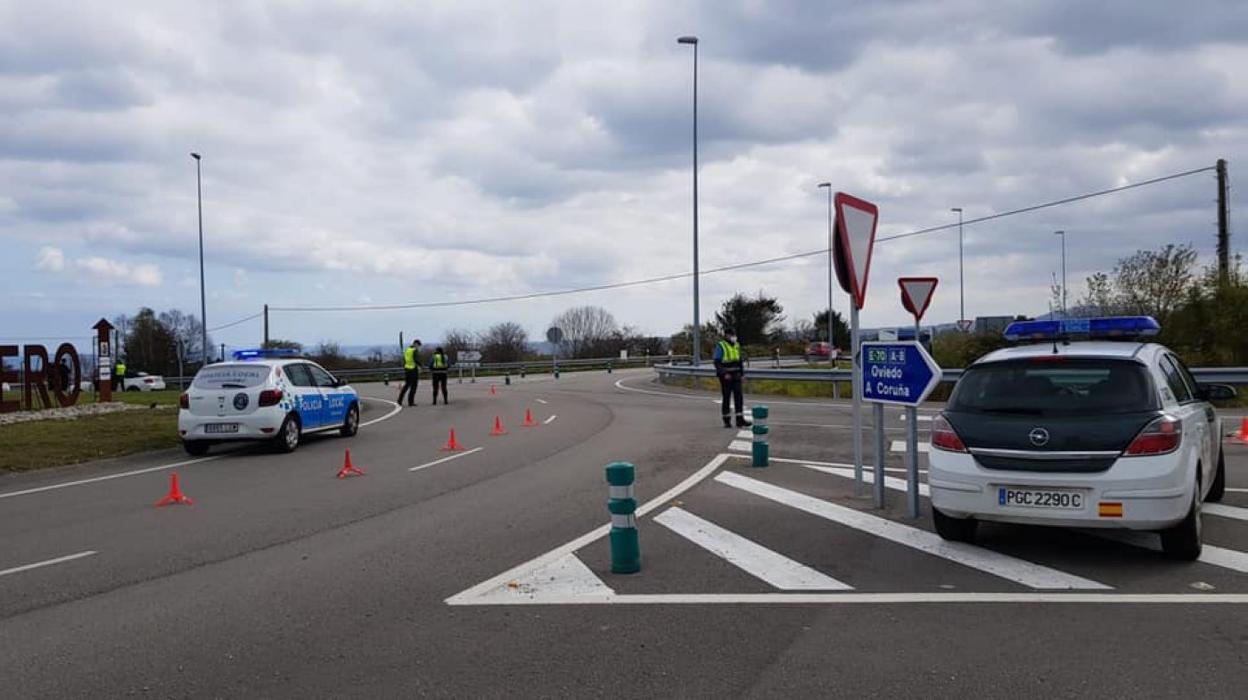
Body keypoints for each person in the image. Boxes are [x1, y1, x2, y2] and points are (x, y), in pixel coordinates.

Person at [713, 332, 750, 428]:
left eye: (734, 335)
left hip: (736, 375)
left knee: (739, 396)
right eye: (731, 335)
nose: (734, 337)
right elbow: (717, 362)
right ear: (726, 336)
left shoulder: (736, 345)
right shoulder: (721, 345)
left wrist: (742, 374)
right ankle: (726, 421)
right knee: (726, 397)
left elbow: (739, 361)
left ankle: (740, 419)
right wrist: (724, 373)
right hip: (726, 377)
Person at [398, 339, 422, 407]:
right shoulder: (414, 350)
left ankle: (400, 400)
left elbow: (405, 359)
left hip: (407, 369)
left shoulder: (407, 349)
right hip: (413, 369)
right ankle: (410, 401)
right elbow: (416, 360)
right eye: (418, 345)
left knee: (406, 385)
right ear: (416, 344)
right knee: (414, 386)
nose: (418, 347)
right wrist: (421, 366)